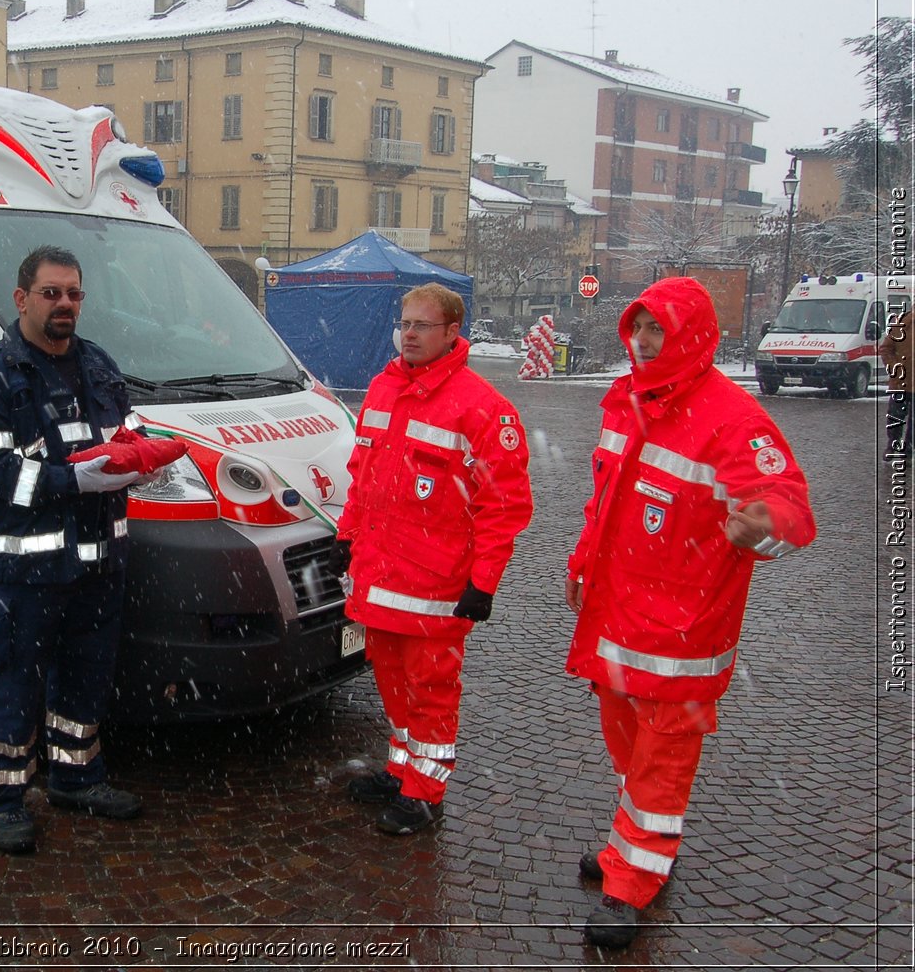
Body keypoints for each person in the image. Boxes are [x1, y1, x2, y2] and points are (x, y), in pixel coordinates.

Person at [564, 278, 816, 948]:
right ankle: (639, 844)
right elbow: (606, 501)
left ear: (693, 336)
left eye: (659, 330)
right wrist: (582, 566)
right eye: (638, 328)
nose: (644, 343)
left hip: (684, 629)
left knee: (661, 760)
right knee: (628, 749)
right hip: (618, 617)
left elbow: (786, 500)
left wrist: (762, 525)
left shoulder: (733, 420)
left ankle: (631, 886)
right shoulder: (626, 403)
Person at [0, 245, 145, 855]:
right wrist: (72, 480)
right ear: (22, 298)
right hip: (25, 572)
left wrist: (139, 458)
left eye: (74, 294)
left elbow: (128, 431)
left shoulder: (98, 365)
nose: (65, 304)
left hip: (97, 566)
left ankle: (76, 778)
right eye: (52, 293)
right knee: (13, 685)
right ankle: (2, 800)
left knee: (85, 682)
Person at [332, 282, 533, 835]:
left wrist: (484, 581)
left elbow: (506, 504)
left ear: (451, 333)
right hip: (380, 574)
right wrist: (347, 536)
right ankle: (402, 770)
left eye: (423, 325)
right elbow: (362, 475)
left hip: (436, 583)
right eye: (405, 323)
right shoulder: (382, 390)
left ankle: (425, 790)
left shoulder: (484, 409)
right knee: (394, 684)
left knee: (432, 690)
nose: (410, 334)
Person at [880, 303, 910, 460]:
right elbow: (885, 348)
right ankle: (893, 444)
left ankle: (908, 450)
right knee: (895, 415)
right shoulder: (902, 323)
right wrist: (894, 367)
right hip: (901, 380)